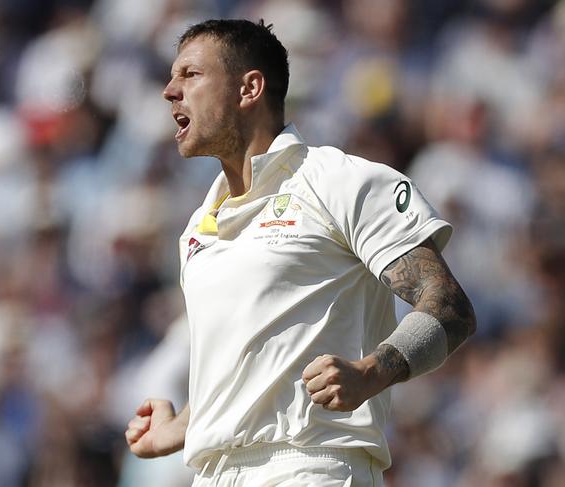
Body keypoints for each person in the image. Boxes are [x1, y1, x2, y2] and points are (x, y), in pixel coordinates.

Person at [125, 19, 476, 487]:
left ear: (249, 88)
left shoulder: (339, 181)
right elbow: (251, 371)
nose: (170, 90)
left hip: (311, 467)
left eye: (191, 75)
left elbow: (449, 305)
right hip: (211, 476)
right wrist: (181, 428)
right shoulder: (197, 228)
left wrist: (371, 372)